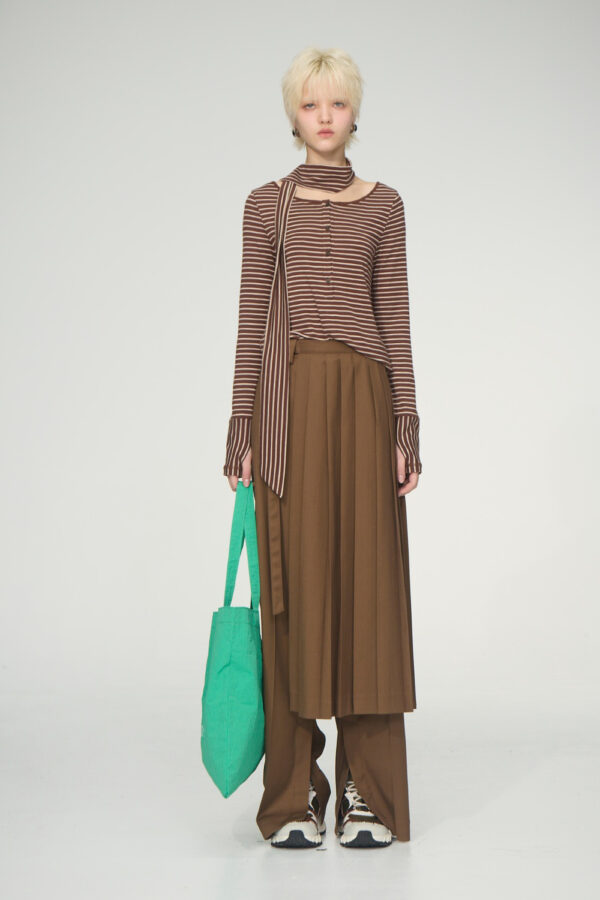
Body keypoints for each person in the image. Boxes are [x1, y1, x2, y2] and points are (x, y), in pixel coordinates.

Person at [223, 46, 422, 849]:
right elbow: (251, 318)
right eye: (311, 105)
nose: (325, 117)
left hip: (365, 404)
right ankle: (293, 795)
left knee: (369, 597)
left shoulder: (387, 206)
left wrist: (406, 425)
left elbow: (395, 316)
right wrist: (242, 428)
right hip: (290, 412)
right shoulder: (265, 205)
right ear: (294, 115)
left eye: (337, 103)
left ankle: (367, 793)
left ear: (354, 111)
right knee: (295, 597)